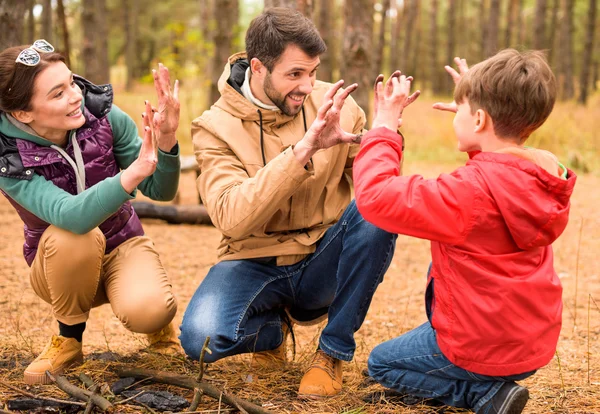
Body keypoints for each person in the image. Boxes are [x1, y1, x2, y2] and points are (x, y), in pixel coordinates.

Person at [180, 7, 404, 398]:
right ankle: (271, 331)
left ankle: (331, 352)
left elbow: (383, 190)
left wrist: (386, 131)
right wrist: (302, 150)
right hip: (252, 261)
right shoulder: (213, 128)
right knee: (200, 340)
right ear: (258, 68)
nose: (308, 85)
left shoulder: (338, 105)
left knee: (377, 212)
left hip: (321, 258)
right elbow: (231, 218)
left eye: (313, 72)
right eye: (295, 74)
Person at [353, 50, 576, 414]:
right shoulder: (543, 176)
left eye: (462, 109)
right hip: (531, 343)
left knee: (382, 363)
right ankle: (484, 384)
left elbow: (376, 197)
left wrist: (384, 127)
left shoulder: (469, 193)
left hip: (481, 347)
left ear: (478, 119)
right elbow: (495, 178)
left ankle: (486, 395)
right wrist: (480, 114)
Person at [0, 40, 182, 385]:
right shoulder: (8, 156)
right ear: (24, 113)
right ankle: (69, 339)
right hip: (60, 264)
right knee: (74, 233)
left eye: (71, 82)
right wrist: (131, 175)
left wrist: (168, 139)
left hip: (122, 245)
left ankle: (159, 330)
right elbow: (70, 215)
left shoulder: (105, 117)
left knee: (150, 309)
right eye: (57, 93)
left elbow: (161, 191)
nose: (75, 95)